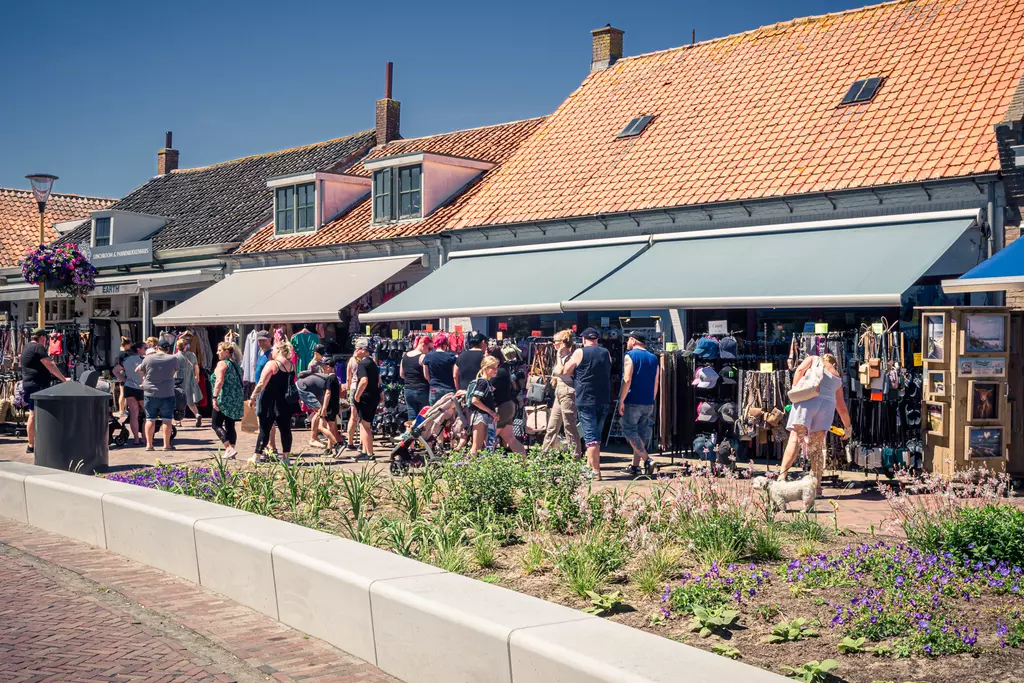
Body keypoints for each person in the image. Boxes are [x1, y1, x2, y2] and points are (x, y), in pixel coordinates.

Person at [778, 353, 852, 496]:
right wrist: (847, 427)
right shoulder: (837, 377)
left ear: (823, 358)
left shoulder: (813, 359)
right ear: (834, 364)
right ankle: (817, 487)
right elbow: (842, 407)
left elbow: (799, 370)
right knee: (816, 447)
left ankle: (782, 477)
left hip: (807, 399)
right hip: (826, 406)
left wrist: (796, 389)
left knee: (795, 439)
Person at [562, 328, 611, 478]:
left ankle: (595, 471)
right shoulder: (605, 353)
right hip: (603, 398)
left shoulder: (579, 352)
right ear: (596, 339)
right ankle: (588, 466)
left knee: (591, 437)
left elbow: (565, 370)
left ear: (583, 340)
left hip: (586, 398)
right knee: (596, 433)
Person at [20, 328, 69, 453]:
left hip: (29, 384)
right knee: (35, 414)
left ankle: (32, 444)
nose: (46, 341)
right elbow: (50, 365)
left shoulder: (26, 347)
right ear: (42, 337)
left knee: (33, 413)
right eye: (46, 338)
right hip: (37, 385)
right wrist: (64, 379)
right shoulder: (38, 348)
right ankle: (33, 445)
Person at [617, 332, 660, 477]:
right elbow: (656, 381)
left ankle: (647, 460)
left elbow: (627, 378)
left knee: (629, 430)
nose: (626, 342)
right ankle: (635, 466)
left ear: (633, 340)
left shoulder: (630, 355)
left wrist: (621, 400)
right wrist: (652, 400)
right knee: (641, 433)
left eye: (628, 339)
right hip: (647, 401)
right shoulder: (654, 358)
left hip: (632, 399)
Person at [249, 339, 296, 463]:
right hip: (284, 401)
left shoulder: (272, 364)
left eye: (274, 349)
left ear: (279, 350)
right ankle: (286, 457)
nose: (272, 352)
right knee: (285, 429)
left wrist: (253, 397)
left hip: (269, 400)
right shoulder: (291, 365)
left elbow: (261, 383)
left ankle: (257, 456)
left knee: (265, 428)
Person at [542, 329, 582, 458]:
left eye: (555, 342)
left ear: (563, 343)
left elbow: (561, 371)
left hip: (568, 392)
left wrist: (559, 356)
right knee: (552, 425)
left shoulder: (569, 357)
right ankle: (544, 453)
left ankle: (575, 456)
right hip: (560, 391)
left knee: (569, 426)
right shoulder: (563, 357)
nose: (553, 344)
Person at [138, 340, 179, 452]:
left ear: (157, 348)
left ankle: (149, 445)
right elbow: (176, 370)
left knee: (150, 418)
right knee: (167, 420)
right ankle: (166, 445)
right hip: (167, 392)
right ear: (168, 349)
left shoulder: (148, 358)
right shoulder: (173, 358)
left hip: (150, 392)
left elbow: (141, 371)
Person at [211, 341, 244, 459]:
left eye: (219, 350)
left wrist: (214, 397)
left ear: (226, 352)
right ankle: (232, 450)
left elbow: (219, 381)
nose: (217, 353)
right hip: (235, 397)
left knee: (216, 424)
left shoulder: (222, 364)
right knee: (230, 424)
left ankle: (228, 448)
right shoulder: (235, 363)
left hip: (224, 398)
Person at [490, 349, 525, 454]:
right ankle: (524, 461)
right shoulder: (504, 370)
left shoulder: (498, 372)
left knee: (489, 439)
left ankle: (485, 466)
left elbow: (489, 388)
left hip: (502, 407)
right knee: (510, 438)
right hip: (508, 405)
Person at [351, 338, 379, 461]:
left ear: (363, 350)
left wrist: (357, 395)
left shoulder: (363, 363)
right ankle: (365, 450)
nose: (356, 351)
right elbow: (378, 380)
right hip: (373, 396)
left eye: (358, 348)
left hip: (366, 397)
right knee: (363, 424)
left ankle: (369, 453)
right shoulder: (372, 363)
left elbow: (363, 380)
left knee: (365, 425)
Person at [467, 355, 500, 455]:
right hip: (480, 416)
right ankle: (468, 467)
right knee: (476, 447)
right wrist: (491, 412)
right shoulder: (483, 382)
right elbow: (475, 400)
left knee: (487, 446)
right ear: (486, 368)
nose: (496, 370)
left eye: (496, 367)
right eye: (493, 368)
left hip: (486, 416)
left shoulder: (488, 383)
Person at [115, 342, 146, 446]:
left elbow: (115, 371)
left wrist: (124, 379)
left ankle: (136, 438)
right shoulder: (143, 359)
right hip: (141, 388)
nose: (146, 350)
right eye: (144, 348)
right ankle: (145, 438)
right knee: (149, 414)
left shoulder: (126, 360)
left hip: (129, 387)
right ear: (139, 349)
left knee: (134, 414)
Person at [400, 335, 431, 420]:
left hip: (408, 389)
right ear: (423, 345)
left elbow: (401, 374)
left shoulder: (405, 355)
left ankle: (411, 432)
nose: (429, 351)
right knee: (424, 416)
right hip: (421, 389)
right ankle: (422, 433)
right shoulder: (423, 357)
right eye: (429, 348)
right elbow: (426, 375)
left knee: (412, 416)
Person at [174, 338, 203, 428]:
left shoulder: (175, 356)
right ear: (186, 346)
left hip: (179, 378)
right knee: (190, 399)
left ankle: (178, 421)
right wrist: (197, 376)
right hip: (190, 378)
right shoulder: (192, 355)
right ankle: (197, 414)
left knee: (179, 400)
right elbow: (196, 366)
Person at [422, 332, 457, 405]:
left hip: (434, 388)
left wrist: (432, 382)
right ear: (445, 345)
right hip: (449, 389)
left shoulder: (428, 356)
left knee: (434, 413)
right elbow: (455, 375)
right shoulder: (451, 357)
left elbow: (426, 375)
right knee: (450, 413)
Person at [317, 357, 343, 451]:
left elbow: (328, 393)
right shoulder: (336, 378)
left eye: (323, 366)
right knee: (330, 427)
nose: (322, 368)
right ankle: (329, 448)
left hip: (328, 406)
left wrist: (323, 408)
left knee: (321, 427)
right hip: (334, 405)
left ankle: (336, 444)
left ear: (328, 367)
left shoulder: (329, 378)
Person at [344, 354, 361, 451]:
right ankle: (362, 443)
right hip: (363, 388)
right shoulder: (367, 358)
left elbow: (348, 378)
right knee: (363, 417)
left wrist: (348, 390)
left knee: (353, 416)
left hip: (354, 386)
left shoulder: (351, 360)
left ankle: (350, 442)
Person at [113, 337, 132, 416]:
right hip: (124, 373)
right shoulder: (125, 353)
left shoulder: (121, 352)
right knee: (123, 393)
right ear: (127, 345)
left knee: (122, 393)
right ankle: (121, 410)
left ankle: (122, 410)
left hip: (121, 372)